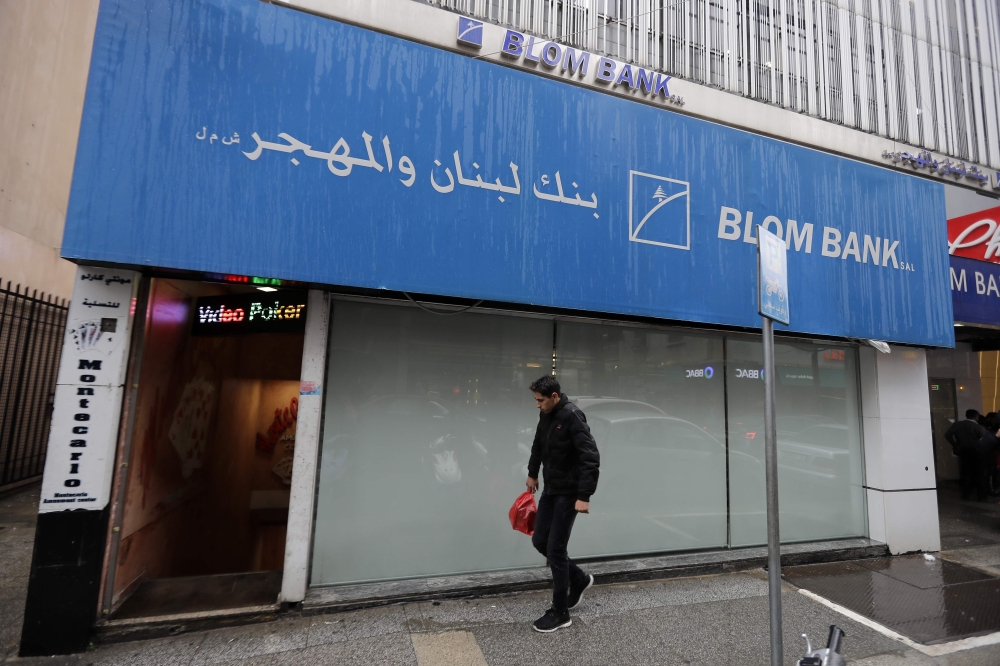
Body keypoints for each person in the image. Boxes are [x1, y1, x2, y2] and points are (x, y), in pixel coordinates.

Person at [526, 375, 600, 633]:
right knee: (540, 541)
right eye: (536, 400)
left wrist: (584, 496)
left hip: (569, 493)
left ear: (555, 396)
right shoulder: (546, 415)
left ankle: (560, 613)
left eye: (541, 400)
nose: (537, 404)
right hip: (551, 489)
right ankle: (578, 579)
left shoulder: (572, 416)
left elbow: (590, 458)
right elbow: (538, 445)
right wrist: (533, 472)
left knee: (555, 549)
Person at [945, 409, 987, 500]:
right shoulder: (979, 428)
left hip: (963, 451)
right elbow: (984, 440)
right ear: (976, 417)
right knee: (979, 473)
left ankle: (966, 494)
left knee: (965, 472)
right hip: (977, 452)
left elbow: (947, 435)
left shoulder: (957, 425)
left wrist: (955, 444)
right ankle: (981, 495)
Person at [974, 417, 1000, 501]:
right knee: (986, 475)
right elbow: (981, 446)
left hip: (989, 458)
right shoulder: (990, 434)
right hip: (989, 458)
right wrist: (996, 436)